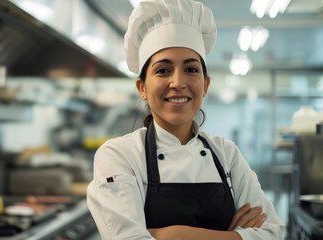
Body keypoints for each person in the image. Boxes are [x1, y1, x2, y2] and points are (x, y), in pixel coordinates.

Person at [86, 0, 285, 239]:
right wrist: (231, 236)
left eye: (191, 70)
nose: (178, 82)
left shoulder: (227, 155)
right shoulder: (119, 155)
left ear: (205, 86)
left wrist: (172, 235)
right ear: (142, 88)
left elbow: (272, 232)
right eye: (163, 70)